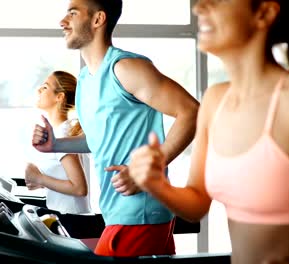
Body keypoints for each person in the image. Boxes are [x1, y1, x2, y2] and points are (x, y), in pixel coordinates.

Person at [129, 0, 289, 263]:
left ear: (264, 13)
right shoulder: (215, 100)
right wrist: (157, 185)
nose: (199, 7)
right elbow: (197, 203)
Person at [32, 0, 199, 257]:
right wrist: (57, 144)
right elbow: (99, 139)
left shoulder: (126, 68)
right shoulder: (86, 79)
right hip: (118, 213)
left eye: (73, 14)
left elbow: (191, 111)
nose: (62, 22)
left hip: (138, 213)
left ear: (98, 20)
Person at [25, 71, 92, 214]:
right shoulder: (59, 131)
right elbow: (63, 177)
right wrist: (41, 182)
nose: (39, 90)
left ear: (59, 97)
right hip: (63, 216)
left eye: (45, 87)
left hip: (73, 221)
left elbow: (79, 188)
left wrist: (40, 178)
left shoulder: (62, 133)